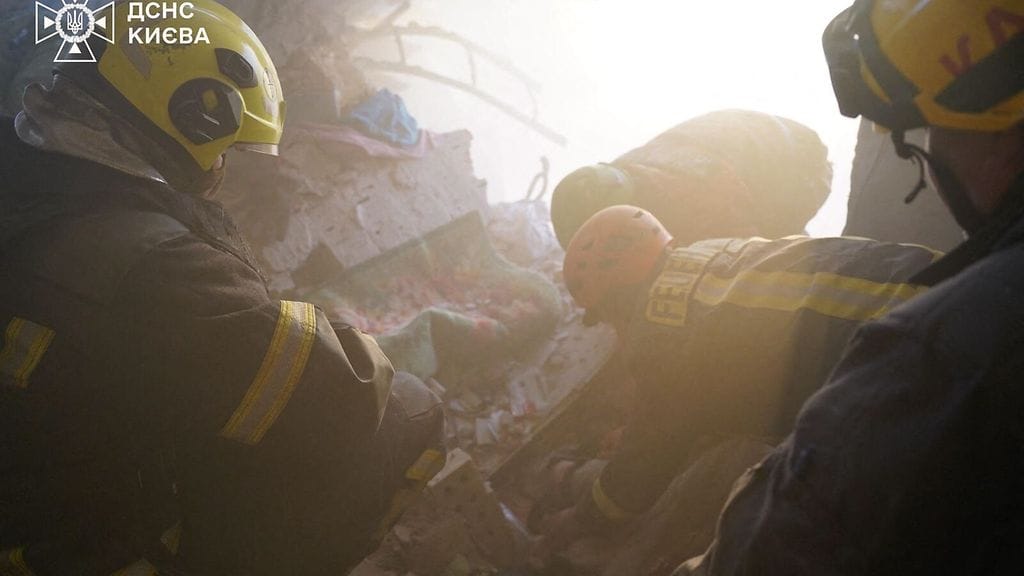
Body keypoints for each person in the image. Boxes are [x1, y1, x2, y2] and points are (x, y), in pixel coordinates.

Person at [0, 2, 444, 575]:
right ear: (197, 116)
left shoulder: (35, 185)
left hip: (29, 495)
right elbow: (338, 395)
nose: (222, 171)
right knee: (410, 412)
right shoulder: (149, 264)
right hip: (66, 551)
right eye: (228, 149)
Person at [675, 1, 1024, 574]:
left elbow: (779, 543)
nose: (931, 165)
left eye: (930, 134)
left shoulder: (942, 351)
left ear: (999, 133)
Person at [534, 204, 939, 561]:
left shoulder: (657, 331)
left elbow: (639, 475)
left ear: (614, 298)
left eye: (606, 317)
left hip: (911, 357)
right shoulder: (711, 254)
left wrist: (577, 519)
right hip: (942, 286)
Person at [550, 109, 833, 250]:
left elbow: (752, 251)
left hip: (803, 163)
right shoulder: (628, 172)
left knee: (771, 247)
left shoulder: (695, 193)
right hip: (761, 143)